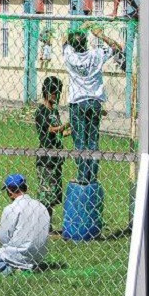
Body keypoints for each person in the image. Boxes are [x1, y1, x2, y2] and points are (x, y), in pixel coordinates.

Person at [62, 26, 122, 185]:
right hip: (95, 101)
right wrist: (101, 35)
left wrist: (78, 28)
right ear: (87, 43)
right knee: (93, 140)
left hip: (77, 102)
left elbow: (64, 40)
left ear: (73, 45)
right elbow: (117, 47)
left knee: (80, 140)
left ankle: (82, 176)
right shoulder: (96, 54)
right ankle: (92, 176)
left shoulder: (70, 57)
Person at [0, 174, 50, 275]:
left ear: (9, 191)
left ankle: (11, 269)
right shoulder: (41, 206)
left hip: (16, 254)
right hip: (39, 253)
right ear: (25, 187)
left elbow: (3, 236)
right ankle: (28, 266)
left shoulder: (11, 208)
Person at [35, 76, 69, 228]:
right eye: (54, 93)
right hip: (46, 158)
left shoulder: (54, 111)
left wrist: (72, 130)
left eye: (59, 93)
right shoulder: (42, 111)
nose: (57, 96)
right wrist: (67, 124)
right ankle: (43, 225)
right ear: (47, 93)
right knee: (46, 194)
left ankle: (47, 224)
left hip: (56, 158)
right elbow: (51, 129)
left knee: (54, 194)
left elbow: (60, 132)